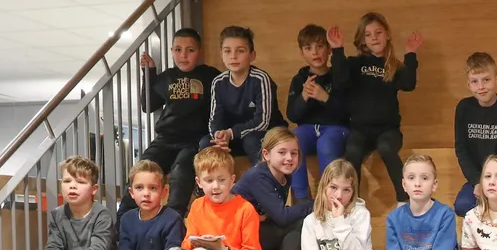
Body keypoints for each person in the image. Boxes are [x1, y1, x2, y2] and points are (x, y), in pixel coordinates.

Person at [329, 14, 422, 203]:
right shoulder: (356, 64)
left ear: (387, 34)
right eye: (368, 34)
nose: (374, 38)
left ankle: (404, 200)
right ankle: (352, 203)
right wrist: (337, 50)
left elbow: (409, 84)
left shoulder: (393, 66)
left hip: (388, 130)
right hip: (360, 130)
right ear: (363, 40)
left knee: (387, 148)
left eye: (378, 32)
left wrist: (411, 53)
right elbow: (339, 81)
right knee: (352, 153)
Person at [129, 28, 220, 218]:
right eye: (178, 50)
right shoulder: (167, 77)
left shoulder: (210, 76)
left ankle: (172, 220)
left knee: (180, 172)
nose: (183, 56)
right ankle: (125, 219)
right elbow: (148, 105)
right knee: (143, 169)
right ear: (171, 51)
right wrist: (150, 73)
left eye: (190, 50)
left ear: (200, 52)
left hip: (193, 141)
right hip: (165, 139)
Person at [165, 147, 263, 250]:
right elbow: (185, 245)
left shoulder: (245, 209)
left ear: (232, 180)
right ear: (199, 182)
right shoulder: (197, 205)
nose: (216, 186)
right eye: (209, 181)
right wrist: (196, 242)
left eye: (221, 180)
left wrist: (224, 249)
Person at [232, 127, 313, 250]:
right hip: (241, 238)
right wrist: (315, 204)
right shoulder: (259, 176)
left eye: (294, 153)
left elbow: (278, 214)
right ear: (266, 155)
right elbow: (282, 217)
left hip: (260, 228)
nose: (289, 158)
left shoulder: (284, 175)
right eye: (282, 152)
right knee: (301, 223)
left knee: (297, 230)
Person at [453, 52, 497, 217]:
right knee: (462, 206)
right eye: (475, 81)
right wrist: (478, 181)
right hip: (477, 179)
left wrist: (496, 181)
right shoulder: (464, 108)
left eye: (486, 79)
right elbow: (461, 149)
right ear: (468, 84)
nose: (481, 87)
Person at [287, 24, 351, 205]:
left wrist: (325, 98)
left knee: (326, 143)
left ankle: (330, 200)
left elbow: (345, 114)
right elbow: (292, 115)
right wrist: (304, 97)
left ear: (329, 49)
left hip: (336, 129)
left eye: (320, 46)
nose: (315, 52)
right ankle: (301, 200)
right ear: (302, 53)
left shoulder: (337, 76)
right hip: (307, 130)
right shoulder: (300, 79)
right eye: (308, 48)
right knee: (293, 140)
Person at [203, 26, 286, 161]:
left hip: (263, 135)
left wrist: (231, 133)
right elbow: (215, 119)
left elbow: (262, 122)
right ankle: (217, 181)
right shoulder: (218, 82)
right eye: (227, 51)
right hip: (233, 137)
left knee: (251, 141)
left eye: (240, 51)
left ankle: (264, 180)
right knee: (206, 143)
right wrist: (219, 137)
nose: (233, 56)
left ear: (252, 55)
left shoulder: (260, 79)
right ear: (221, 55)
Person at [301, 158, 374, 250]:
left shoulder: (361, 214)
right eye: (333, 187)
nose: (339, 195)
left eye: (346, 190)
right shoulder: (310, 221)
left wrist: (339, 220)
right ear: (324, 187)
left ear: (353, 193)